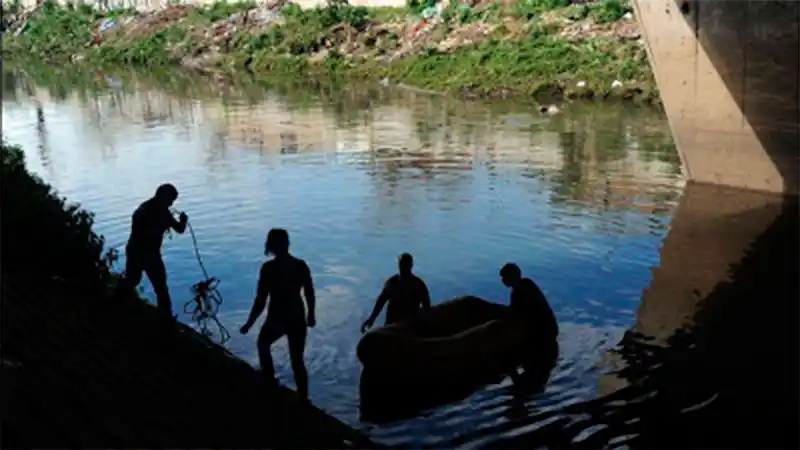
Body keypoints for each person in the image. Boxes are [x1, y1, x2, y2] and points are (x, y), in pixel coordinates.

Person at [239, 228, 316, 400]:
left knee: (263, 345)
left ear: (270, 245)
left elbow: (261, 299)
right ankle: (303, 397)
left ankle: (269, 378)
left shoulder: (268, 268)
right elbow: (309, 292)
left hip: (278, 316)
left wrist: (250, 323)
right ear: (287, 244)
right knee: (297, 359)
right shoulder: (300, 265)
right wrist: (311, 314)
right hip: (296, 316)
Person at [116, 183, 187, 321]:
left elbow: (179, 228)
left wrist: (182, 222)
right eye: (171, 200)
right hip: (146, 253)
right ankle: (165, 318)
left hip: (139, 250)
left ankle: (118, 300)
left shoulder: (154, 209)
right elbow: (176, 228)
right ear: (163, 197)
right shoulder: (149, 211)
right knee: (159, 286)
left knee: (136, 280)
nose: (171, 203)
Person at [361, 253, 431, 333]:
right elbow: (381, 301)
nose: (403, 267)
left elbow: (426, 306)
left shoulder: (418, 285)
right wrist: (372, 319)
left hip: (409, 326)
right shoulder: (392, 283)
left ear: (410, 265)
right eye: (402, 264)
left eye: (405, 265)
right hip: (392, 326)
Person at [499, 263, 558, 340]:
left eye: (504, 277)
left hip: (544, 330)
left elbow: (519, 313)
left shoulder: (523, 291)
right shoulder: (524, 285)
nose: (502, 280)